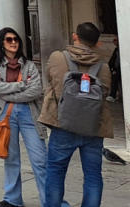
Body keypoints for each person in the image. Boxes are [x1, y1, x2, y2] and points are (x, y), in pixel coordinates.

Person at [40, 22, 113, 207]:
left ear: (75, 37)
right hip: (93, 128)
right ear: (97, 42)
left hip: (63, 124)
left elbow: (51, 81)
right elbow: (104, 93)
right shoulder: (103, 67)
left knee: (56, 171)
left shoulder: (58, 58)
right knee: (93, 175)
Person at [0, 26, 51, 207]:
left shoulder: (29, 65)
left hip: (30, 113)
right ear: (1, 43)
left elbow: (35, 90)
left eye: (16, 39)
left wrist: (8, 93)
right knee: (11, 158)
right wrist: (21, 85)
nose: (13, 42)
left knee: (40, 159)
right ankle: (12, 199)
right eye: (9, 39)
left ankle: (50, 200)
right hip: (4, 114)